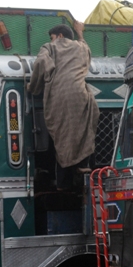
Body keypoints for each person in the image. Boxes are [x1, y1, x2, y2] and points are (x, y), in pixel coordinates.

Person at [27, 22, 99, 189]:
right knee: (83, 131)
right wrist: (80, 32)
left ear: (59, 36)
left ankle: (63, 184)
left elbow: (40, 64)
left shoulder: (49, 47)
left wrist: (33, 87)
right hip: (81, 95)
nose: (52, 40)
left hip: (59, 95)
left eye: (53, 37)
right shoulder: (81, 48)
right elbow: (85, 46)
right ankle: (83, 167)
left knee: (62, 137)